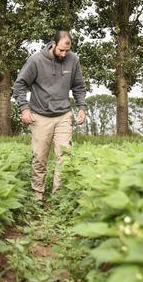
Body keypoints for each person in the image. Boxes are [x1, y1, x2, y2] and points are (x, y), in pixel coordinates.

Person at [12, 30, 87, 202]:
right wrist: (24, 108)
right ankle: (37, 196)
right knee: (39, 157)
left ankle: (58, 198)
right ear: (53, 43)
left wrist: (81, 107)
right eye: (61, 50)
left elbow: (79, 86)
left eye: (67, 51)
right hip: (40, 115)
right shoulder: (36, 60)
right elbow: (20, 85)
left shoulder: (73, 60)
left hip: (63, 115)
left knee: (64, 157)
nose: (64, 54)